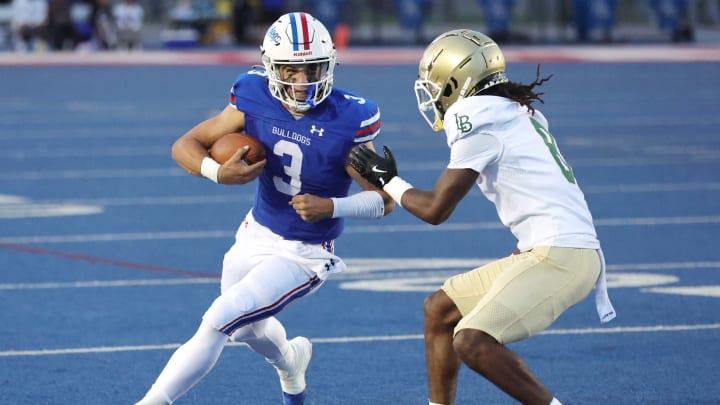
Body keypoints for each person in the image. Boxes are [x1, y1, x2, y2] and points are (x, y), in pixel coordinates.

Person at [134, 11, 393, 405]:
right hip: (255, 232)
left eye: (312, 69)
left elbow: (385, 199)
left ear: (329, 65)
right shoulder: (252, 94)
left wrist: (333, 206)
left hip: (305, 253)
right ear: (272, 66)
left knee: (220, 318)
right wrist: (217, 173)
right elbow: (185, 145)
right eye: (291, 70)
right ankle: (290, 361)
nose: (303, 82)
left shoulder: (350, 117)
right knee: (243, 329)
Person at [349, 30, 616, 405]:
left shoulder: (474, 114)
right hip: (553, 248)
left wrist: (388, 181)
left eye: (436, 85)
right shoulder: (512, 108)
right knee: (440, 310)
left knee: (472, 341)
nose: (433, 95)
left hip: (562, 255)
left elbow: (436, 210)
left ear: (456, 81)